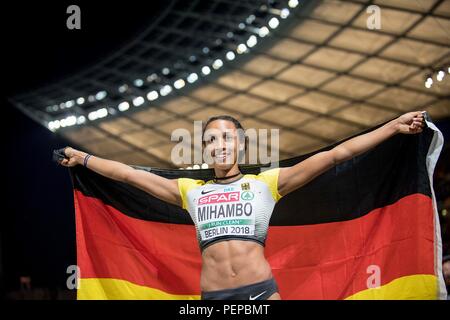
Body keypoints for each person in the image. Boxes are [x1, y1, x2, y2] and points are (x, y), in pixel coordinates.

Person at [59, 111, 426, 300]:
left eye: (227, 137)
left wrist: (393, 127)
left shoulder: (266, 183)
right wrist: (83, 158)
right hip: (214, 295)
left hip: (262, 290)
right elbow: (127, 175)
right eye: (211, 139)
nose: (220, 144)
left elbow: (336, 155)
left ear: (241, 145)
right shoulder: (190, 191)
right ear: (205, 149)